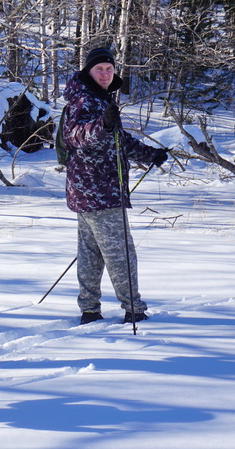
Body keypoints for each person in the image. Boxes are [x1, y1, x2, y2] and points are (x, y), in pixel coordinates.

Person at [62, 48, 168, 325]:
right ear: (88, 72)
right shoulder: (85, 100)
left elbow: (117, 140)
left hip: (88, 190)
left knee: (91, 253)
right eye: (100, 69)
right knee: (120, 252)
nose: (106, 74)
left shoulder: (97, 99)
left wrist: (150, 154)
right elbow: (76, 136)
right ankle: (133, 308)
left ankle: (89, 309)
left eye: (109, 69)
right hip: (99, 191)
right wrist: (102, 124)